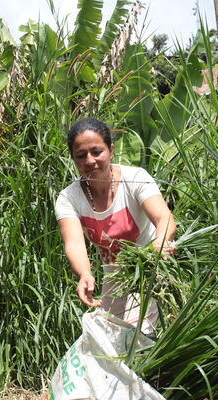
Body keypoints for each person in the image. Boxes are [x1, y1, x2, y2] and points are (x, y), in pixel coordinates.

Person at [55, 117, 176, 332]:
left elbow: (163, 218)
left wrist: (159, 245)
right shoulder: (68, 198)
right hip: (115, 272)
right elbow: (74, 244)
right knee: (111, 332)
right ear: (73, 159)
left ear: (111, 150)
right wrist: (84, 274)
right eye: (81, 156)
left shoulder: (135, 178)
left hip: (151, 263)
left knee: (142, 335)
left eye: (97, 152)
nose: (90, 161)